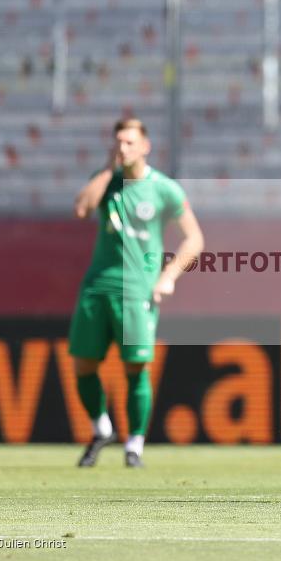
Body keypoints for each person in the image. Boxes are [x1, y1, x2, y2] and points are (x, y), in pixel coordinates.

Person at [69, 117, 203, 467]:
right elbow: (81, 209)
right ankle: (102, 428)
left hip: (138, 288)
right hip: (98, 285)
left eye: (130, 142)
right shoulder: (107, 182)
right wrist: (107, 168)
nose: (123, 148)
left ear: (146, 146)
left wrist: (169, 275)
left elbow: (194, 238)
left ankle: (135, 445)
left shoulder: (163, 188)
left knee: (135, 367)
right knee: (83, 364)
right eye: (118, 142)